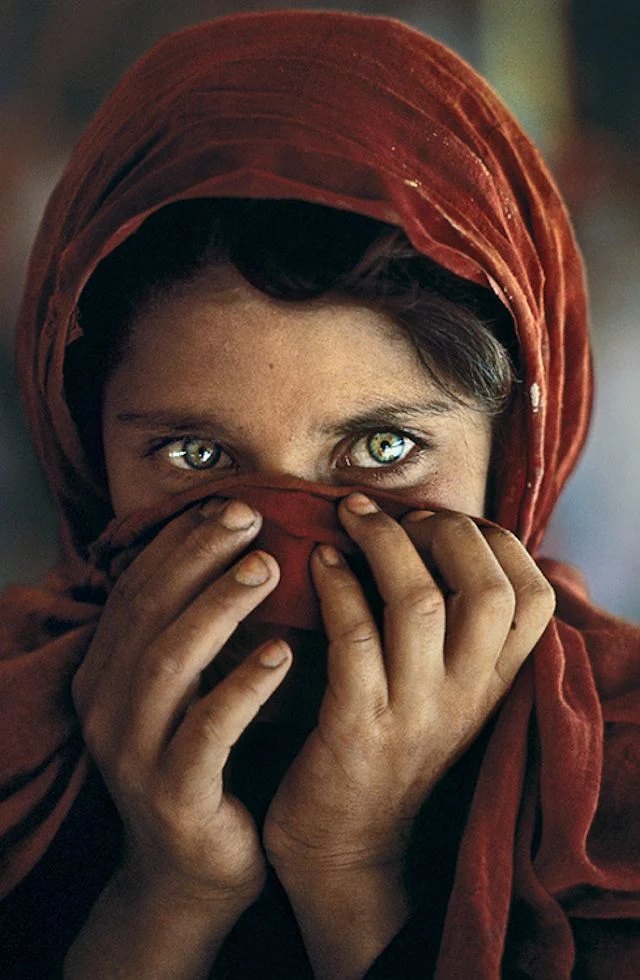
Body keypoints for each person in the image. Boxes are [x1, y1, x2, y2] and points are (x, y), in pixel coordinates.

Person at [0, 10, 638, 978]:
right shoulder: (17, 758)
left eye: (384, 447)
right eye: (195, 456)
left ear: (518, 451)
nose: (281, 556)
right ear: (83, 446)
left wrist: (351, 869)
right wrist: (166, 890)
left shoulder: (616, 793)